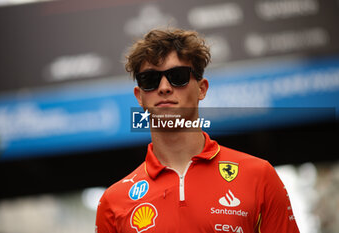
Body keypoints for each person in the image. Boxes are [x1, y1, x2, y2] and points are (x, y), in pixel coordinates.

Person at [96, 28, 300, 233]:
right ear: (139, 96)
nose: (164, 87)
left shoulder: (259, 176)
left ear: (202, 89)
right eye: (150, 79)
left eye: (178, 76)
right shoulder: (113, 202)